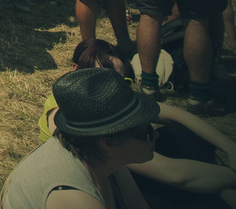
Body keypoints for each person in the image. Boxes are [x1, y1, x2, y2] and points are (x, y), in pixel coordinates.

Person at [40, 39, 236, 209]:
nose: (113, 86)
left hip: (122, 173)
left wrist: (230, 148)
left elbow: (179, 115)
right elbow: (173, 173)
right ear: (76, 70)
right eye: (104, 76)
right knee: (194, 196)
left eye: (121, 80)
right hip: (113, 185)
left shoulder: (108, 97)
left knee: (182, 135)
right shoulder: (69, 116)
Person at [1, 68, 159, 208]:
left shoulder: (100, 156)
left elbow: (136, 203)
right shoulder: (74, 198)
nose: (156, 135)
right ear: (109, 143)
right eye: (147, 132)